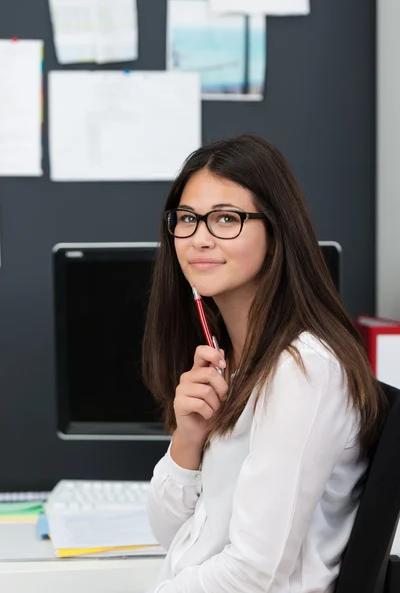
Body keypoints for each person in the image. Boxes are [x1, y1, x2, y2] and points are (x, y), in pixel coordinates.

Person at [141, 134, 387, 593]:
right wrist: (188, 440)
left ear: (276, 234)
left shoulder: (301, 369)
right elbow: (172, 539)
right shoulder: (232, 362)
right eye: (188, 220)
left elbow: (255, 572)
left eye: (226, 219)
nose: (200, 238)